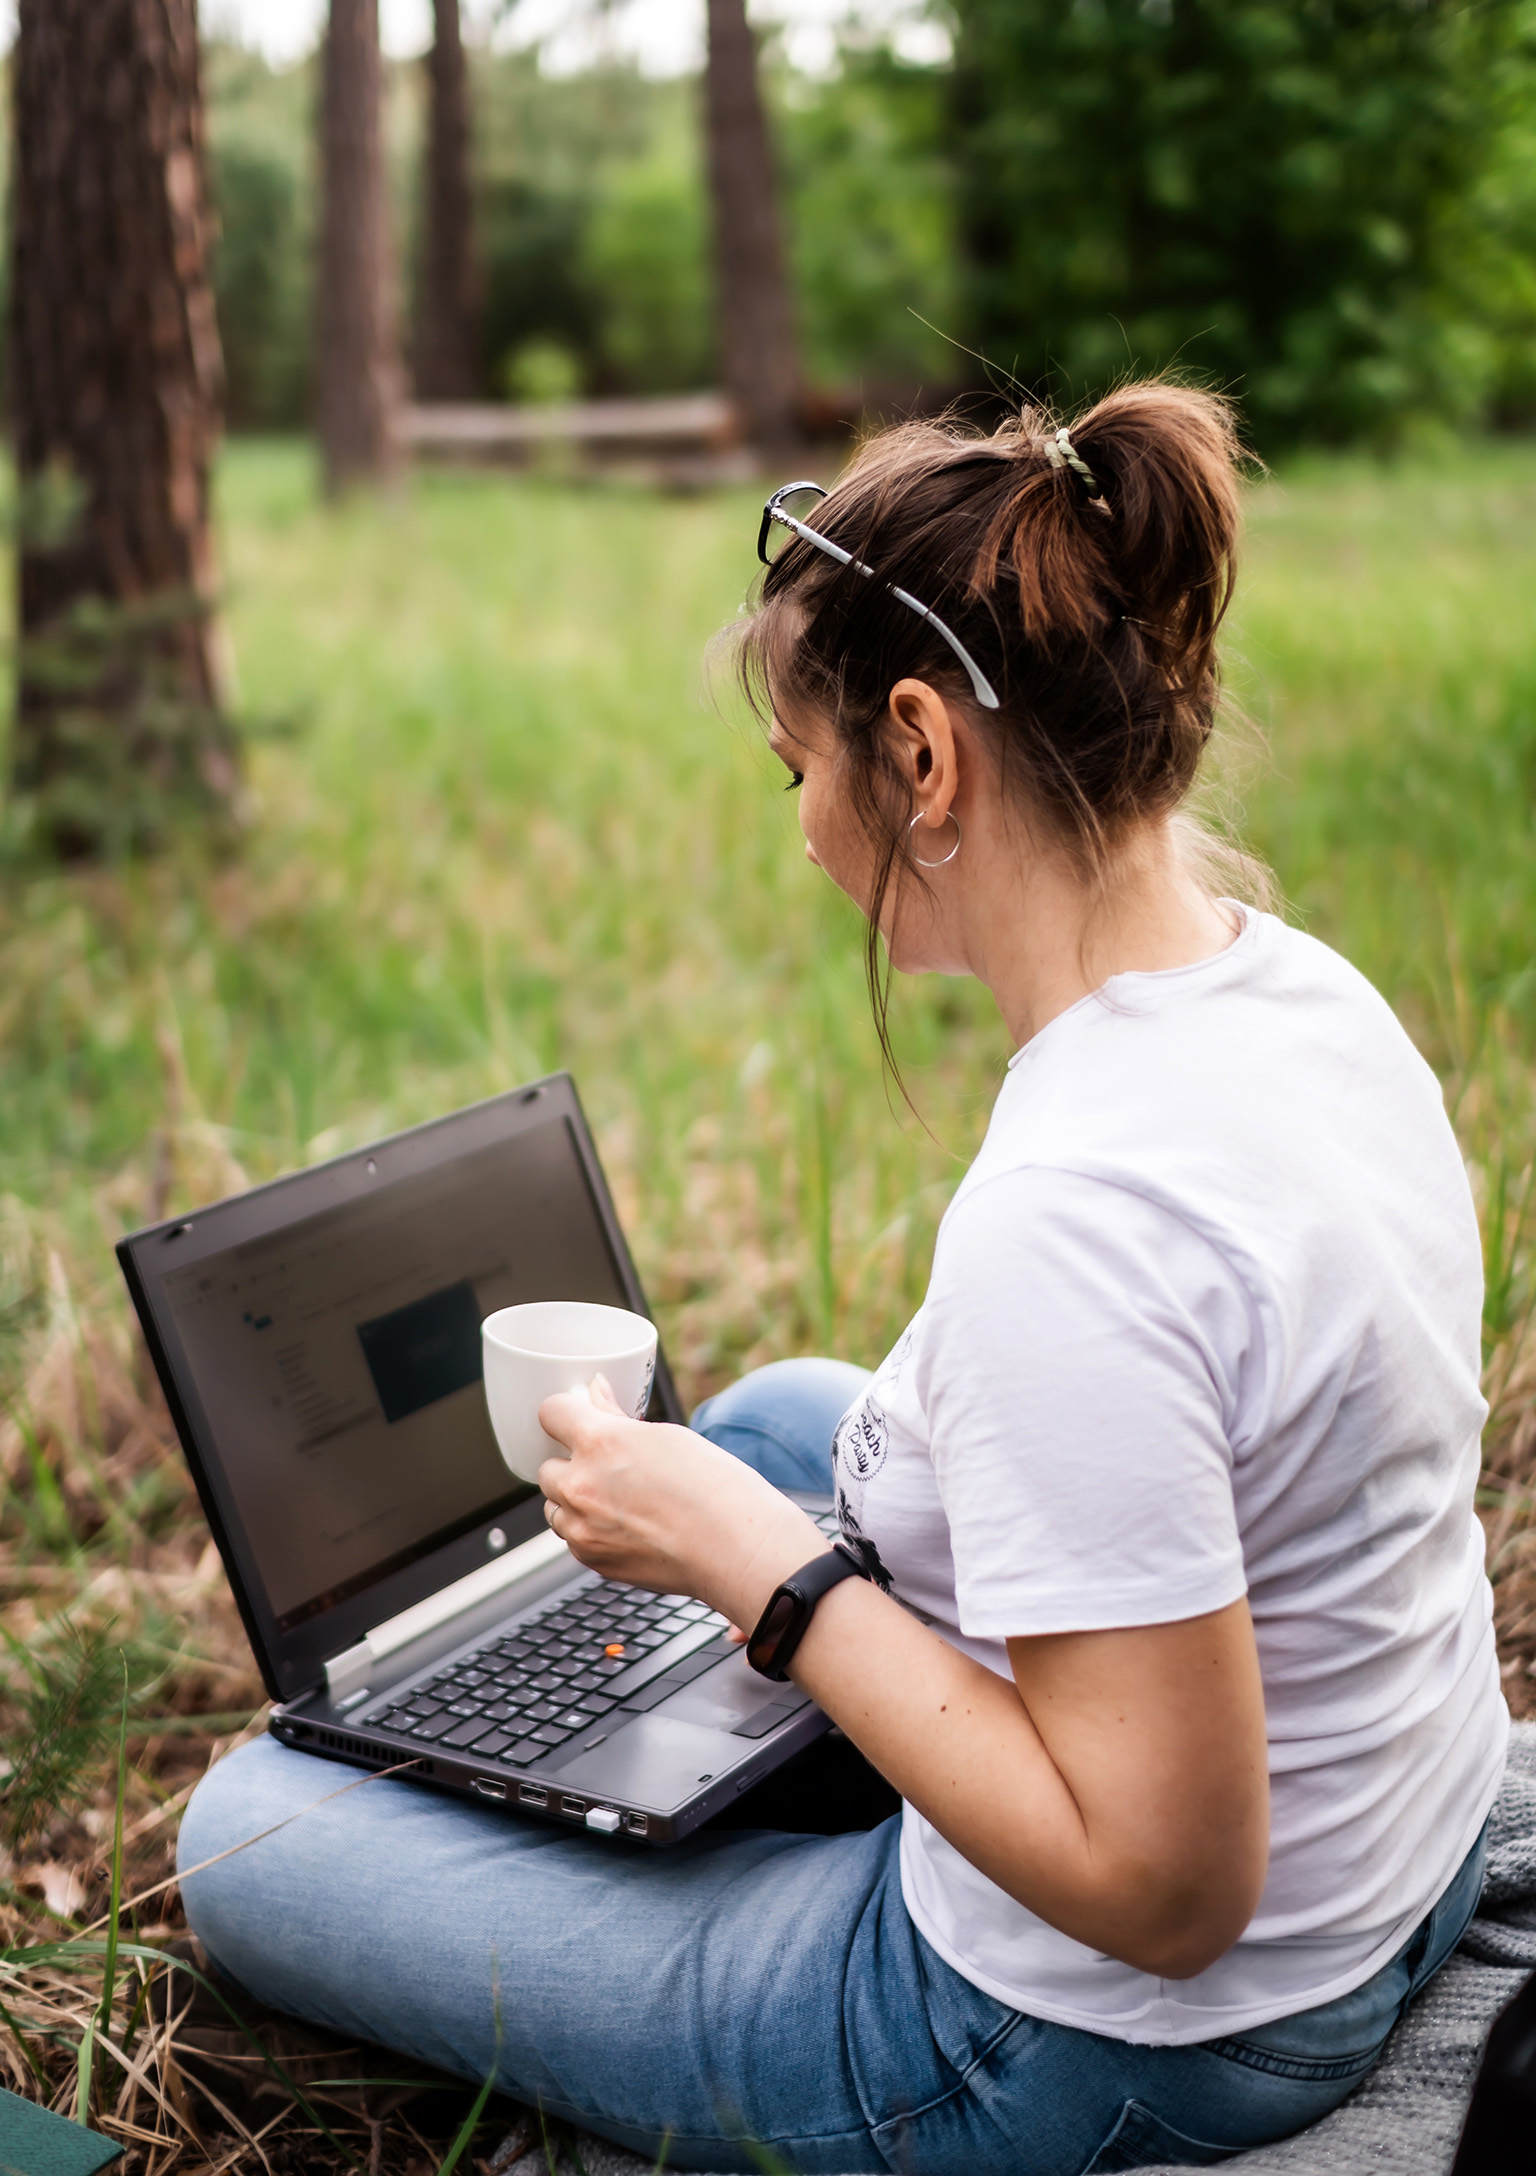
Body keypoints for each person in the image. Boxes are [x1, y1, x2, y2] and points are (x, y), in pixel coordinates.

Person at [177, 384, 1506, 2176]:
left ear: (923, 752)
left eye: (803, 771)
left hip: (1103, 2036)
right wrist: (745, 1516)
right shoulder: (1303, 999)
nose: (805, 829)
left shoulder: (1078, 1227)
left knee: (249, 1832)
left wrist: (765, 1573)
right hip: (1394, 1850)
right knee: (779, 1412)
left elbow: (1168, 1889)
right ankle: (681, 1667)